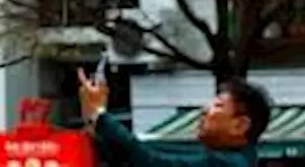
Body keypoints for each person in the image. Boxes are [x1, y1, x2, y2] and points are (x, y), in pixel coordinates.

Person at [78, 68, 271, 167]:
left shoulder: (226, 165)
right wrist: (94, 116)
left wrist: (100, 113)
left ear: (240, 125)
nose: (205, 110)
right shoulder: (230, 159)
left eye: (218, 105)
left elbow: (152, 162)